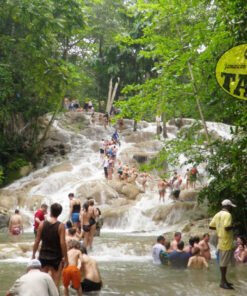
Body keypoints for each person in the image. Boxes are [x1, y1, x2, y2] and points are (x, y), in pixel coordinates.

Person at [32, 203, 68, 287]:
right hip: (56, 257)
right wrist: (66, 258)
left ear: (50, 211)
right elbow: (63, 243)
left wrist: (33, 254)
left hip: (43, 256)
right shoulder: (61, 226)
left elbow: (37, 241)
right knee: (55, 284)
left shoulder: (42, 224)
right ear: (59, 213)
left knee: (41, 284)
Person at [209, 199, 236, 290]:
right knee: (224, 264)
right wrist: (234, 226)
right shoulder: (228, 215)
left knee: (223, 262)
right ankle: (222, 282)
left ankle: (224, 280)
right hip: (226, 242)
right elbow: (227, 227)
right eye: (231, 207)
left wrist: (218, 227)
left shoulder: (217, 214)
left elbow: (211, 226)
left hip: (220, 241)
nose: (231, 208)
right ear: (228, 206)